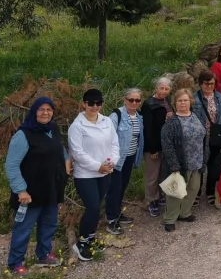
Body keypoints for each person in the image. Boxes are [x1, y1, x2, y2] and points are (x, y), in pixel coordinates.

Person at [5, 97, 70, 274]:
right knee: (24, 228)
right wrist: (21, 190)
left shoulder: (53, 128)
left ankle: (44, 255)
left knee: (49, 224)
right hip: (29, 193)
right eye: (41, 109)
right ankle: (15, 263)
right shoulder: (23, 135)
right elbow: (11, 165)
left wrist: (66, 160)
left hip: (51, 189)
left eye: (49, 110)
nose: (45, 113)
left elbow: (59, 148)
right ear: (34, 112)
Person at [69, 88, 119, 261]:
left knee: (98, 205)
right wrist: (97, 167)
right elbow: (77, 153)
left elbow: (114, 143)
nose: (95, 106)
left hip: (105, 171)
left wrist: (113, 161)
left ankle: (90, 237)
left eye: (98, 103)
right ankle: (81, 242)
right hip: (86, 175)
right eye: (91, 103)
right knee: (93, 207)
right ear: (84, 104)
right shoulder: (77, 126)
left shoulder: (107, 121)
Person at [161, 89, 208, 232]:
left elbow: (205, 137)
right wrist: (174, 164)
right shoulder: (172, 123)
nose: (183, 103)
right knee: (176, 193)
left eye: (185, 100)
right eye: (180, 100)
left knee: (193, 189)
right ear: (175, 103)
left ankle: (184, 213)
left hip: (197, 161)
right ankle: (170, 219)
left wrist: (205, 157)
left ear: (190, 101)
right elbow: (167, 145)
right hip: (181, 164)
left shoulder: (197, 116)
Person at [105, 88, 145, 235]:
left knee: (122, 186)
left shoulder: (139, 116)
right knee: (114, 188)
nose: (134, 102)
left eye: (137, 100)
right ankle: (111, 219)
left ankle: (117, 213)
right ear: (125, 100)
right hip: (117, 159)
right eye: (131, 100)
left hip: (130, 157)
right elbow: (107, 137)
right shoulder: (116, 115)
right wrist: (109, 159)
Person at [192, 71, 221, 207]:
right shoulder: (194, 98)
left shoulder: (220, 97)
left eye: (212, 83)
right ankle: (196, 193)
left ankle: (210, 191)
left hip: (216, 136)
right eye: (206, 83)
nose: (209, 86)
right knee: (199, 165)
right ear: (200, 83)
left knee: (214, 165)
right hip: (200, 137)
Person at [142, 77, 173, 218]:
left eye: (167, 89)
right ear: (156, 88)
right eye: (161, 88)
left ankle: (159, 196)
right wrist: (152, 149)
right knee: (152, 175)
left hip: (165, 144)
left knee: (162, 173)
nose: (164, 91)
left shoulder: (168, 101)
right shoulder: (149, 104)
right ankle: (151, 200)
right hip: (153, 145)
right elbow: (147, 128)